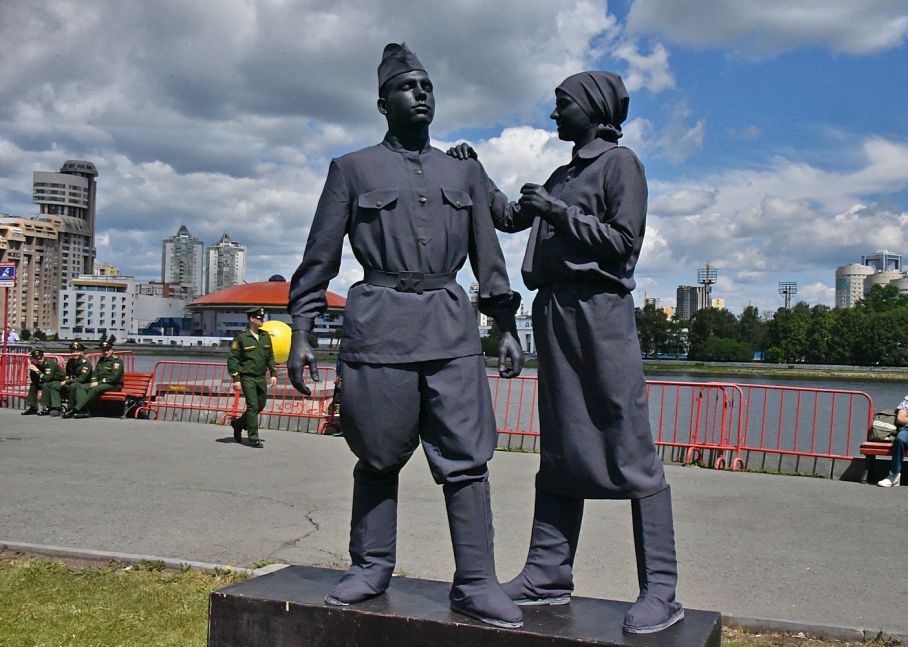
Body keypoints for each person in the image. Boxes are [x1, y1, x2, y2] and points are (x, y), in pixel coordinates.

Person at [287, 43, 524, 629]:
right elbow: (319, 257)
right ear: (382, 103)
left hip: (450, 329)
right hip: (379, 331)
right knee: (377, 454)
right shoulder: (352, 169)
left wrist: (506, 326)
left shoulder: (462, 172)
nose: (421, 94)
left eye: (428, 86)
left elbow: (489, 256)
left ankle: (476, 581)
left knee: (467, 460)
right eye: (408, 87)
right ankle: (370, 567)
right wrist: (302, 330)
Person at [448, 71, 682, 634]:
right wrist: (476, 171)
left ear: (593, 108)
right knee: (559, 442)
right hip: (555, 311)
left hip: (601, 312)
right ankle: (547, 574)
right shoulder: (562, 174)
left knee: (627, 439)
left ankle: (661, 590)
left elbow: (624, 243)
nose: (554, 115)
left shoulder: (621, 165)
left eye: (562, 104)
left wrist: (557, 212)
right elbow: (510, 218)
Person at [227, 306, 277, 448]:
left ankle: (238, 424)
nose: (262, 320)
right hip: (247, 377)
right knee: (253, 406)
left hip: (261, 377)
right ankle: (253, 438)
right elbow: (233, 359)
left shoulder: (265, 336)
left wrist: (273, 373)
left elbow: (270, 356)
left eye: (262, 318)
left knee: (260, 405)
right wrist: (236, 379)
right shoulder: (242, 338)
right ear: (251, 319)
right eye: (259, 318)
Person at [73, 336, 124, 419]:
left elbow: (114, 377)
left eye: (108, 350)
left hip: (114, 385)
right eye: (104, 350)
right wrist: (94, 381)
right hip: (101, 384)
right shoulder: (101, 360)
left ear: (111, 350)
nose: (106, 352)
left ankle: (76, 409)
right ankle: (85, 410)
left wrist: (98, 383)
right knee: (81, 387)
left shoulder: (117, 360)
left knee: (96, 389)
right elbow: (95, 373)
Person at [22, 349, 65, 416]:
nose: (39, 360)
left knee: (46, 385)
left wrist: (37, 371)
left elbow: (48, 378)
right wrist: (33, 371)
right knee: (33, 385)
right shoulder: (37, 364)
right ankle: (33, 407)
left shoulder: (49, 363)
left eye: (40, 358)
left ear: (43, 357)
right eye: (37, 359)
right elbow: (34, 380)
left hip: (57, 381)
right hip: (48, 381)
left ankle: (49, 407)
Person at [60, 340, 93, 418]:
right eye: (73, 352)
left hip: (85, 383)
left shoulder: (86, 363)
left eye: (77, 352)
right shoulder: (70, 361)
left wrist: (67, 381)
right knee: (56, 385)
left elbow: (82, 379)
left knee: (73, 386)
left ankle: (71, 409)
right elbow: (67, 374)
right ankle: (55, 407)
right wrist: (65, 380)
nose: (75, 353)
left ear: (82, 353)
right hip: (74, 381)